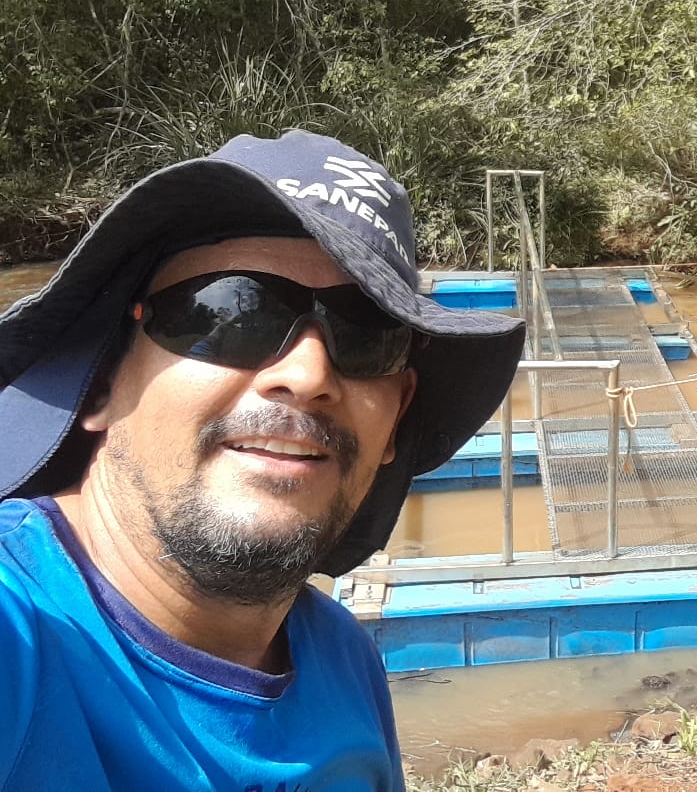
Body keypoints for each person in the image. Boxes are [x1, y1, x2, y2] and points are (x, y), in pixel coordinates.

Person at [0, 129, 526, 790]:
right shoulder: (20, 631)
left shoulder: (344, 659)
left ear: (396, 416)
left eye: (365, 337)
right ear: (101, 380)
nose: (308, 373)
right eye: (231, 310)